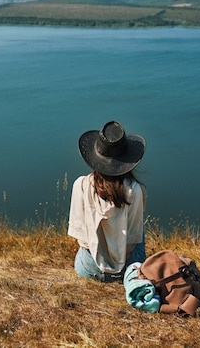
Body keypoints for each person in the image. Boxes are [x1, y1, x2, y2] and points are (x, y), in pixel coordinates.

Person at [68, 120, 147, 282]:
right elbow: (133, 239)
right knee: (140, 230)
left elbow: (80, 236)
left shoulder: (81, 185)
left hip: (88, 269)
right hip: (126, 269)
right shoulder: (135, 190)